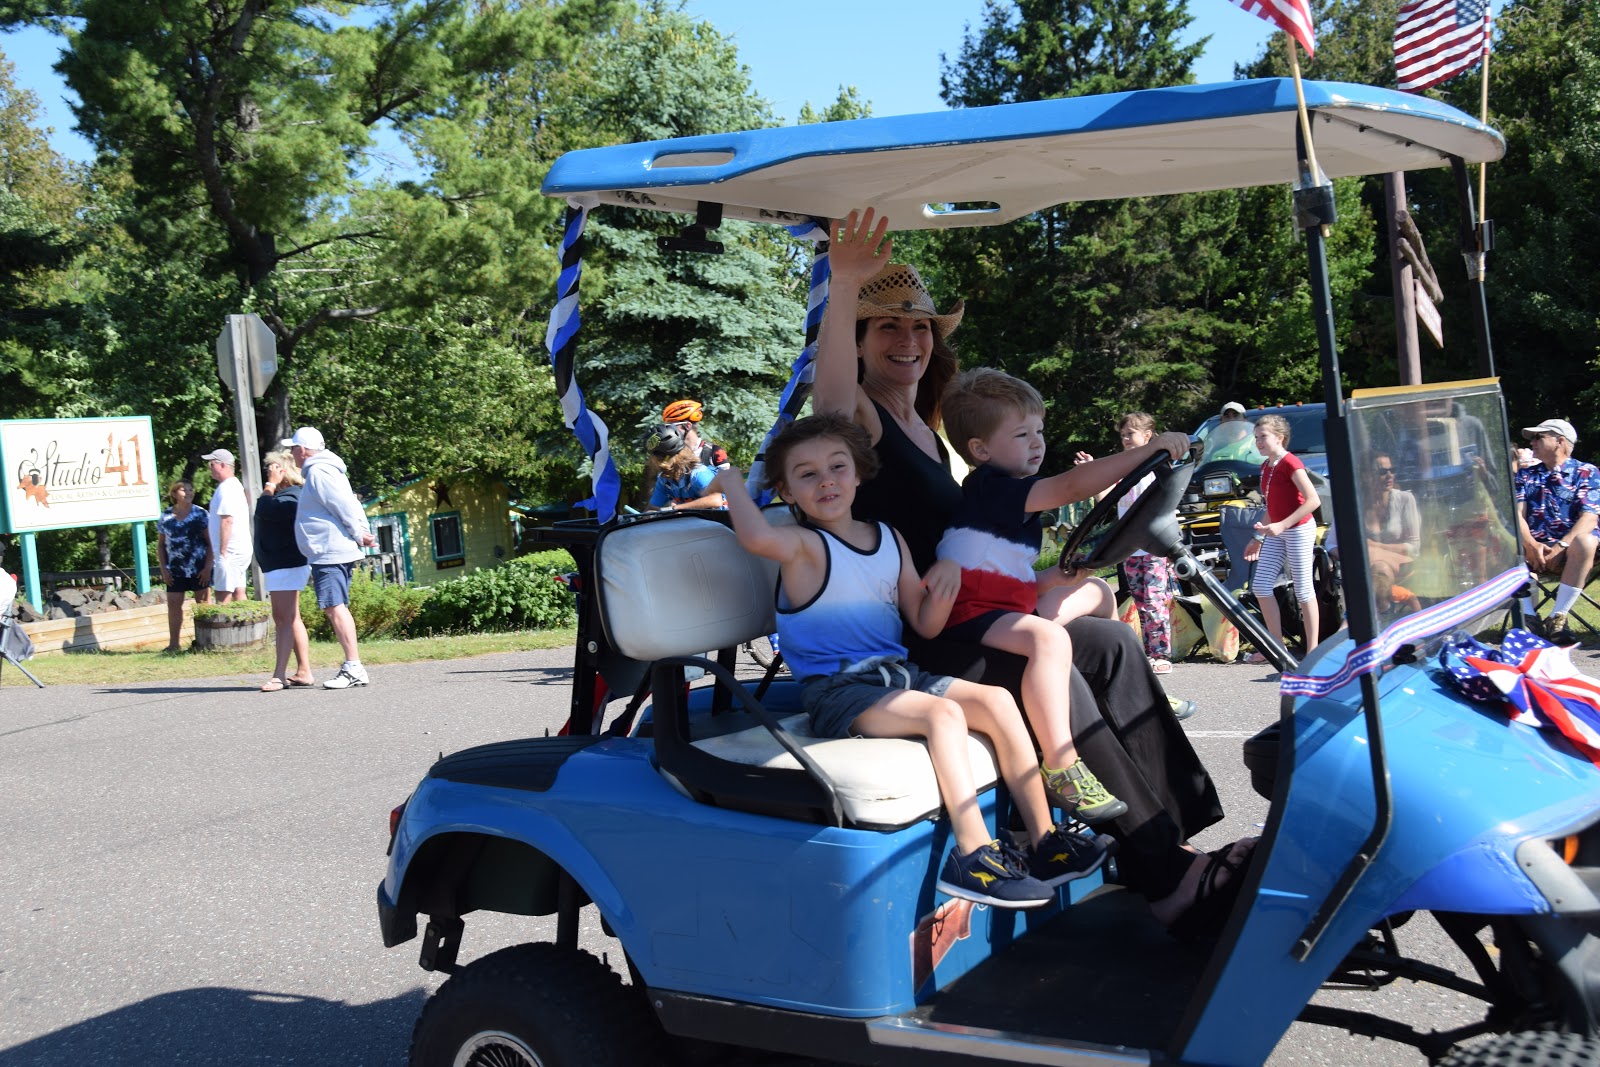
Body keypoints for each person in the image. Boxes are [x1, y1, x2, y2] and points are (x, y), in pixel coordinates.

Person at [814, 207, 1248, 941]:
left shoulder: (932, 427)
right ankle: (1168, 880)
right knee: (1057, 662)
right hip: (924, 631)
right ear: (858, 338)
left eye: (920, 327)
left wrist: (1048, 576)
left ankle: (1168, 839)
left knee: (1109, 639)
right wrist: (843, 288)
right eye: (886, 325)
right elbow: (825, 404)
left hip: (962, 609)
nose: (910, 339)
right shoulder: (862, 415)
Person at [711, 414, 1110, 908]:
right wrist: (728, 479)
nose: (827, 481)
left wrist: (944, 585)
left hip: (899, 677)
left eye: (838, 467)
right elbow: (754, 538)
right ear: (787, 493)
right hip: (838, 691)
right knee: (942, 713)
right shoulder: (803, 546)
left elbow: (924, 623)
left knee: (998, 702)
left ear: (858, 474)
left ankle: (1046, 839)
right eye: (807, 474)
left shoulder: (888, 538)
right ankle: (973, 855)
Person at [937, 370, 1189, 822]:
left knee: (1094, 591)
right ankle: (1061, 765)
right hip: (966, 615)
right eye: (1021, 434)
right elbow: (1070, 487)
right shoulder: (990, 487)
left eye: (1039, 431)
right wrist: (1147, 451)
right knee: (1048, 640)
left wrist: (1054, 578)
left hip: (1002, 604)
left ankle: (1138, 689)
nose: (1037, 443)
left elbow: (1004, 578)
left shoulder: (1013, 499)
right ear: (981, 450)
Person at [290, 427, 378, 690]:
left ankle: (353, 667)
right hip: (328, 550)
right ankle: (354, 666)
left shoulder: (319, 471)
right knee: (335, 606)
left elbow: (344, 505)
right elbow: (351, 502)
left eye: (293, 448)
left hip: (330, 551)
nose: (292, 453)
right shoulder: (324, 469)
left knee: (334, 606)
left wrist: (359, 533)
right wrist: (360, 531)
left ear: (303, 450)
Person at [1241, 414, 1322, 663]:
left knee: (1303, 589)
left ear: (1280, 437)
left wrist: (1282, 525)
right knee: (1261, 586)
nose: (1259, 442)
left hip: (1298, 529)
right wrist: (1258, 536)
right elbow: (1272, 508)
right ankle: (1277, 647)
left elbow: (1313, 500)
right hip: (1277, 530)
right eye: (1256, 438)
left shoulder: (1291, 462)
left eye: (1263, 437)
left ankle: (1313, 653)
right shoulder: (1266, 466)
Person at [1514, 418, 1599, 644]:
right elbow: (1517, 515)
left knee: (1586, 541)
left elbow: (1590, 518)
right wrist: (1531, 545)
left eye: (1538, 437)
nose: (1532, 442)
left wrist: (1561, 546)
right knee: (1507, 541)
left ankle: (1558, 617)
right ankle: (1529, 619)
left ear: (1560, 441)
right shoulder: (1525, 475)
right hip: (1533, 550)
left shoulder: (1587, 472)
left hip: (1575, 552)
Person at [1113, 412, 1180, 674]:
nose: (1126, 439)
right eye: (1123, 435)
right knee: (1140, 601)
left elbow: (1168, 503)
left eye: (1131, 433)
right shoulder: (1123, 468)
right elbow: (1106, 498)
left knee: (1154, 599)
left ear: (1148, 436)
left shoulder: (1156, 467)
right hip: (1130, 546)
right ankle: (1149, 651)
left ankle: (1162, 653)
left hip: (1153, 545)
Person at [254, 450, 314, 691]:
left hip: (286, 563)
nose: (269, 475)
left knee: (283, 619)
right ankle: (304, 671)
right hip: (281, 564)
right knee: (291, 617)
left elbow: (264, 509)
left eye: (273, 470)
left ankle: (279, 675)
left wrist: (270, 485)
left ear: (283, 473)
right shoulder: (288, 495)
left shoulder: (290, 497)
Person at [156, 480, 213, 652]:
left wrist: (208, 567)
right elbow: (160, 545)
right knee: (173, 604)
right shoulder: (166, 516)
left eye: (190, 489)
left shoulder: (201, 514)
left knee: (202, 604)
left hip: (199, 567)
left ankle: (205, 642)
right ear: (174, 493)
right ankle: (174, 644)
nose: (188, 493)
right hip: (176, 569)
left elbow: (210, 543)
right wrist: (163, 568)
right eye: (183, 490)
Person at [201, 447, 253, 602]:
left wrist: (223, 553)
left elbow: (227, 520)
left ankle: (225, 627)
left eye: (212, 464)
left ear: (222, 465)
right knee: (239, 592)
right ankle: (245, 626)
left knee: (222, 596)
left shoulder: (226, 488)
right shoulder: (234, 485)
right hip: (238, 550)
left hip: (229, 551)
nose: (209, 468)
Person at [1362, 453, 1421, 585]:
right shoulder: (1358, 503)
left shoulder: (1405, 499)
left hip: (1401, 565)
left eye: (1392, 471)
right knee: (1377, 566)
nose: (1389, 476)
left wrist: (1375, 546)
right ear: (1367, 476)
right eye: (1382, 472)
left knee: (1380, 568)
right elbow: (1332, 544)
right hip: (1369, 566)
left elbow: (1414, 547)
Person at [645, 423, 726, 511]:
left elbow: (716, 500)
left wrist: (677, 508)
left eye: (653, 456)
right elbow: (653, 507)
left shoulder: (698, 473)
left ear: (662, 457)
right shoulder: (664, 479)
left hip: (724, 522)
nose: (651, 460)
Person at [662, 399, 730, 470]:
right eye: (667, 426)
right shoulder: (672, 453)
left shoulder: (714, 451)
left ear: (688, 426)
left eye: (672, 425)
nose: (668, 429)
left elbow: (728, 479)